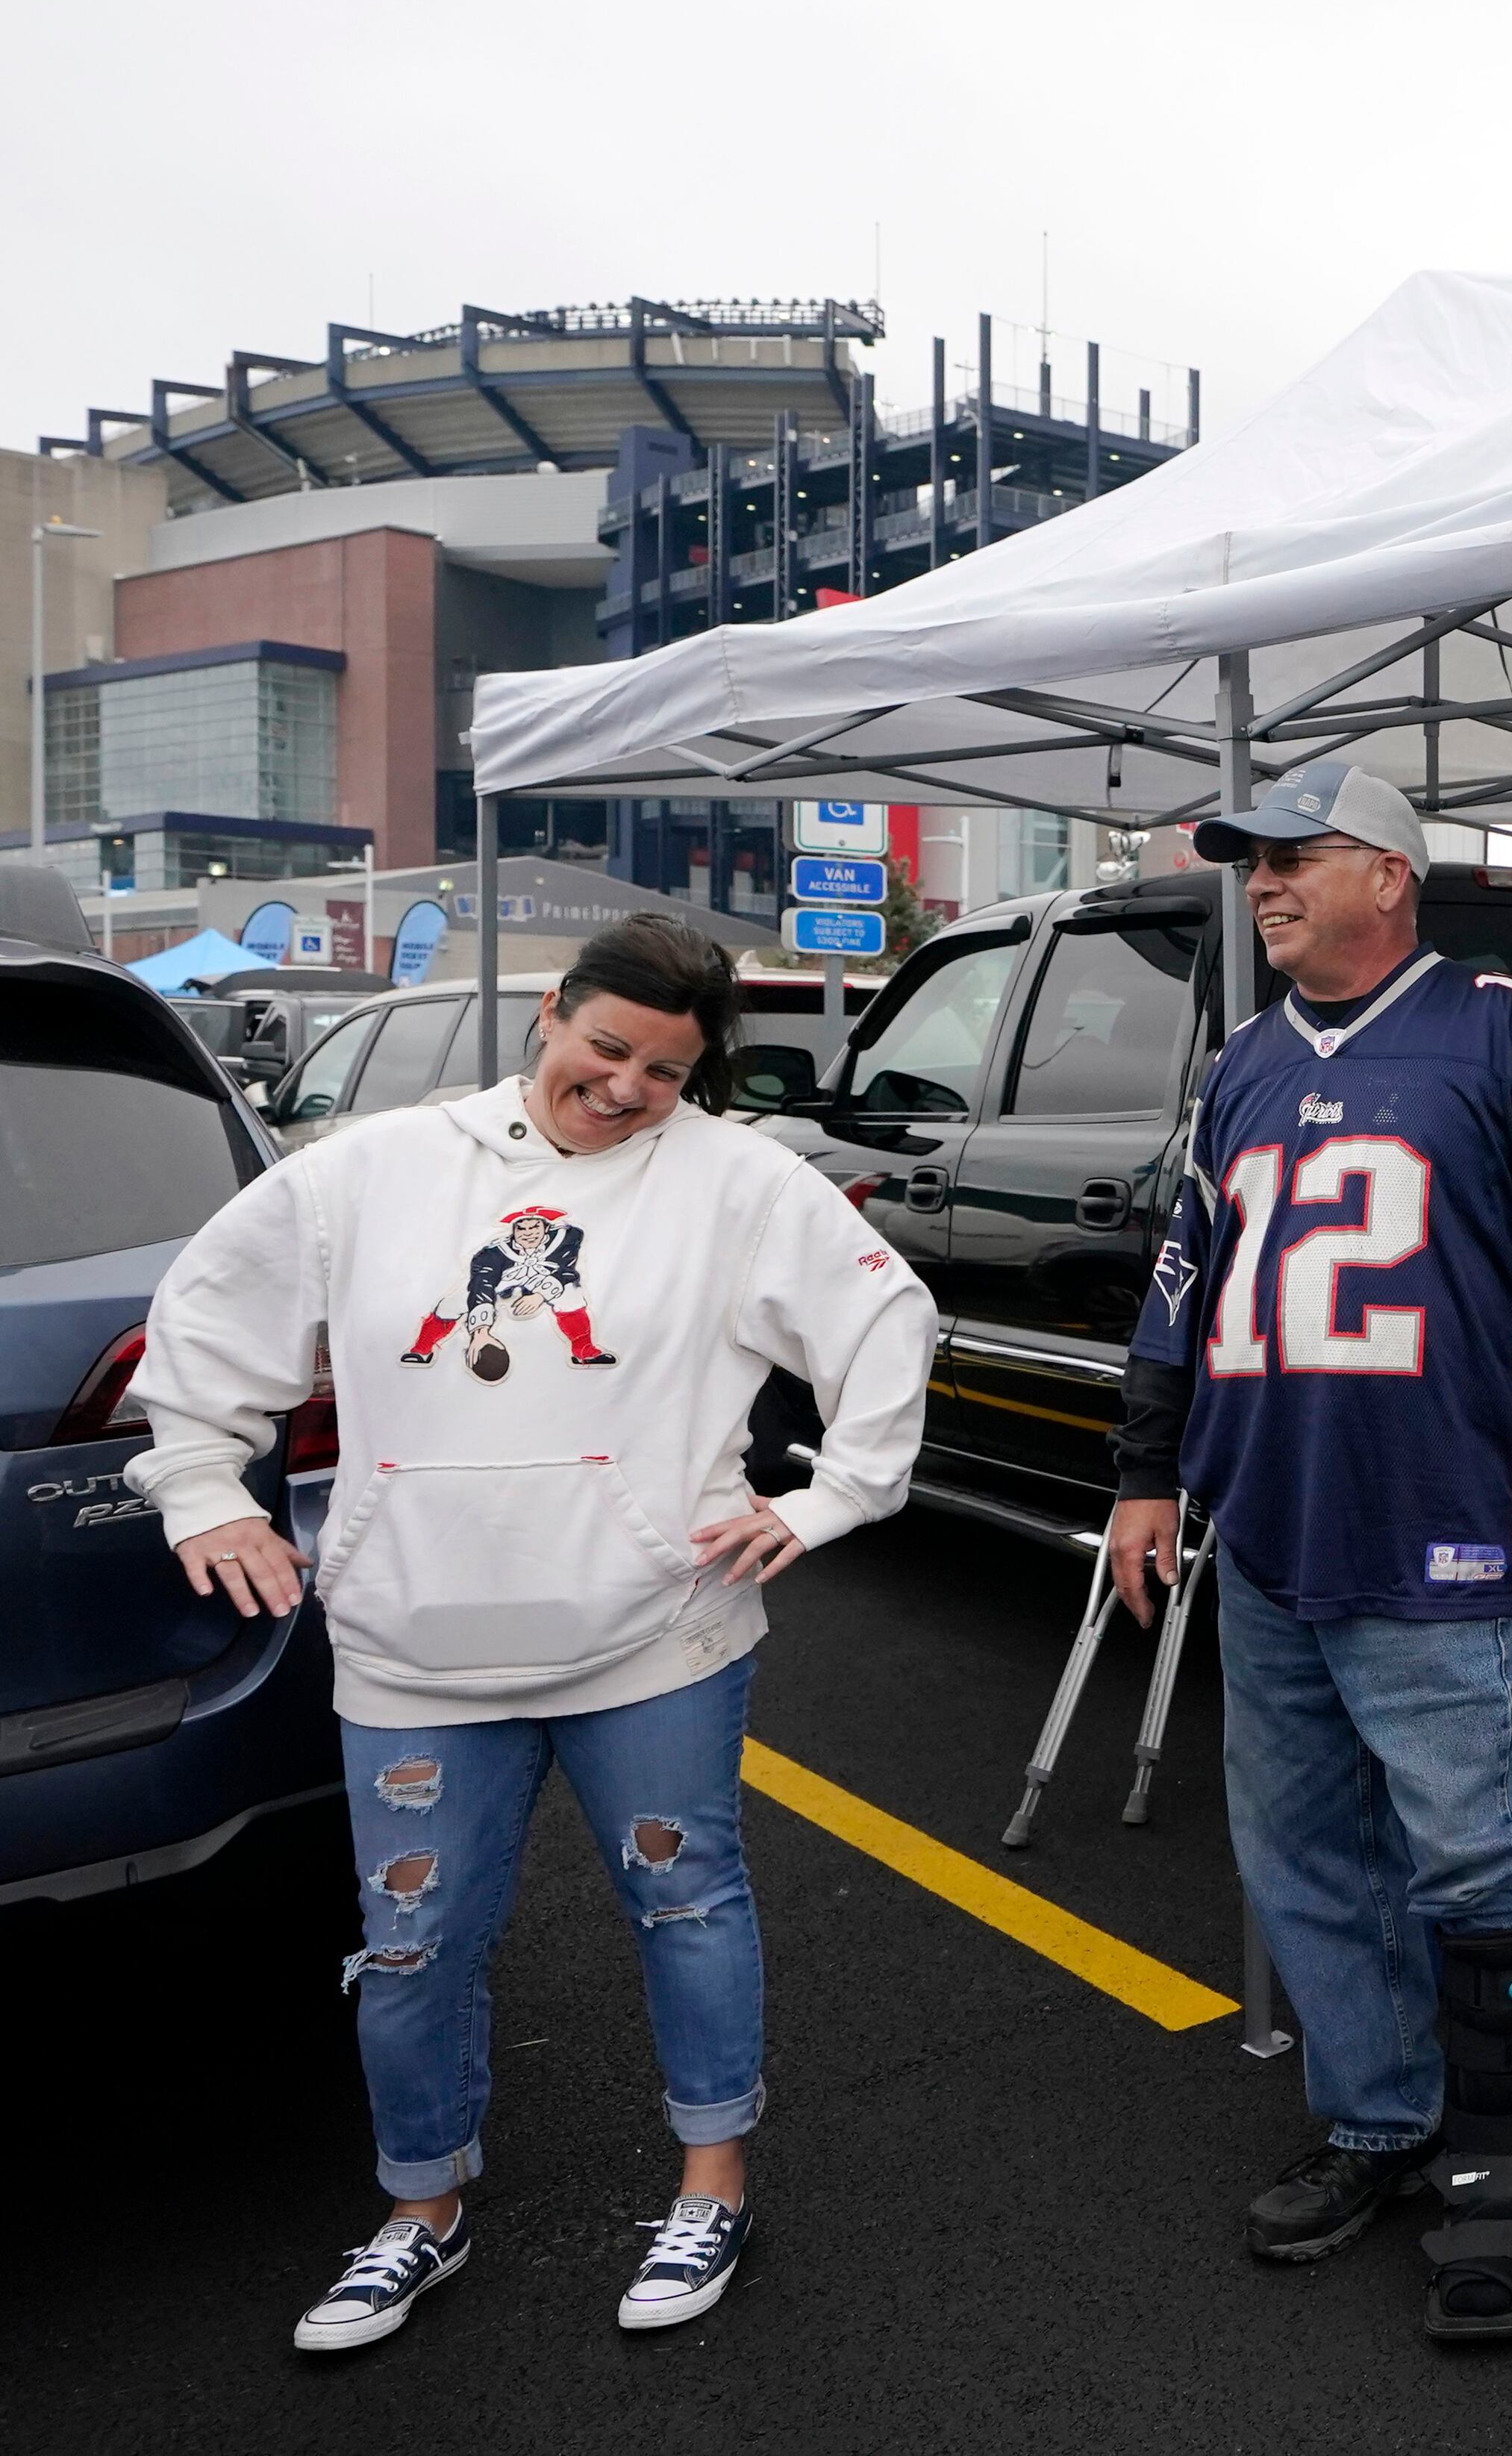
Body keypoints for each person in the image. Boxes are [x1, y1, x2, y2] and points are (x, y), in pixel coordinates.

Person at [125, 915, 936, 2352]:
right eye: (607, 1046)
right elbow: (207, 1309)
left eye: (666, 1071)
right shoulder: (378, 1168)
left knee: (685, 1906)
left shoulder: (739, 1182)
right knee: (414, 1941)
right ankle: (418, 2210)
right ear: (552, 1013)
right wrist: (201, 1487)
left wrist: (831, 1500)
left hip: (656, 1638)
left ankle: (713, 2184)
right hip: (410, 1644)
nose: (625, 1086)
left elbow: (888, 1318)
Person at [1105, 758, 1512, 2344]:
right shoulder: (1242, 1061)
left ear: (1391, 873)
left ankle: (1509, 2172)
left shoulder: (1504, 1026)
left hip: (1438, 1529)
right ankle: (1381, 2117)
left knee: (1476, 1857)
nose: (1262, 883)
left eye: (1294, 856)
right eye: (1250, 862)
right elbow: (1180, 1273)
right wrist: (1146, 1470)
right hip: (1265, 1522)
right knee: (1304, 1857)